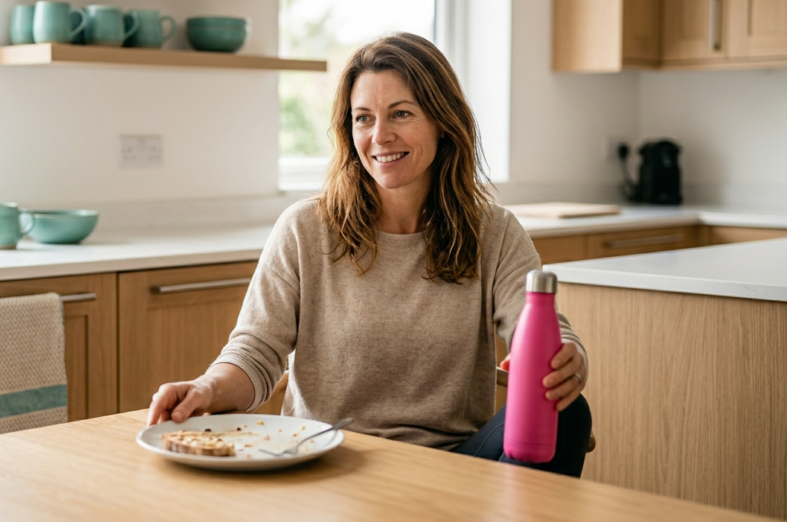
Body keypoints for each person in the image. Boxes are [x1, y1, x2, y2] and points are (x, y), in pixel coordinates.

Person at [147, 33, 593, 477]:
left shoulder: (493, 232)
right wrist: (205, 388)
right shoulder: (305, 229)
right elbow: (255, 351)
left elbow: (541, 332)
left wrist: (567, 357)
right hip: (327, 462)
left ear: (443, 120)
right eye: (363, 118)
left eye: (400, 113)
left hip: (450, 467)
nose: (380, 136)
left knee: (570, 414)